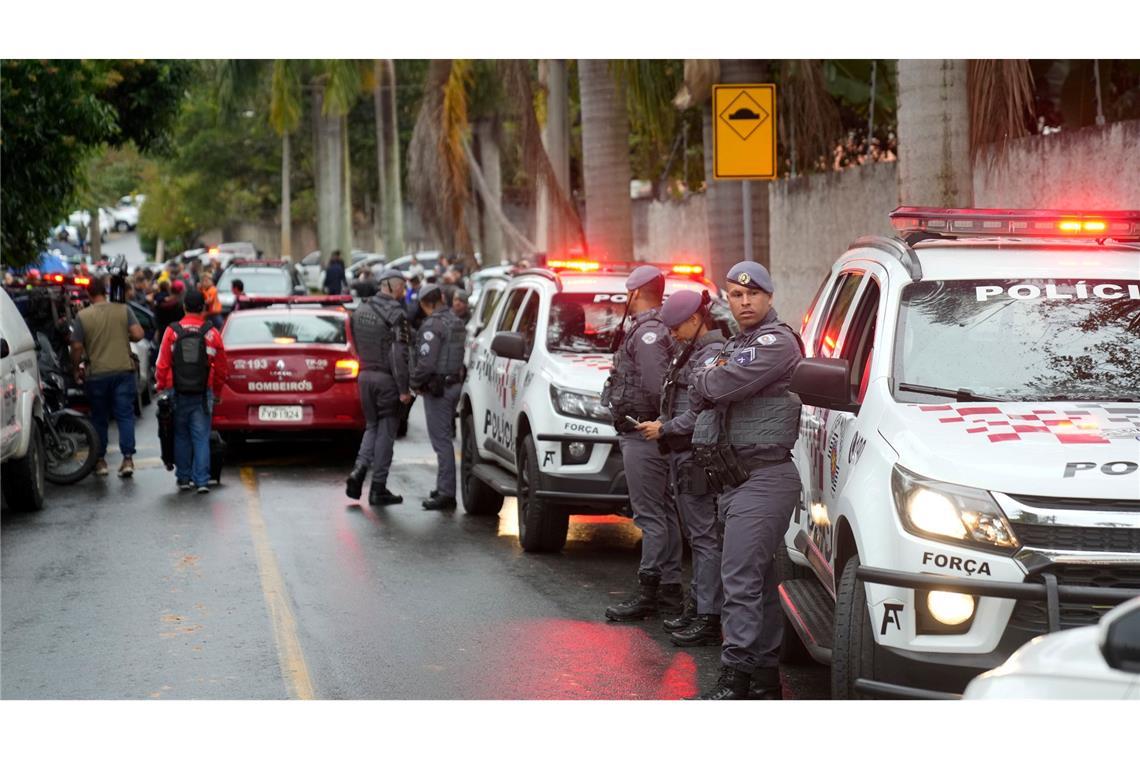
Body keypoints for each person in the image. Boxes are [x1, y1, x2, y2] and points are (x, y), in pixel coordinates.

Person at [688, 261, 804, 700]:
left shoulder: (776, 343)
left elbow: (716, 386)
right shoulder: (738, 342)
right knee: (755, 580)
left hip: (765, 476)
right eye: (736, 296)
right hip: (735, 480)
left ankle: (734, 678)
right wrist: (708, 378)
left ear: (769, 296)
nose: (745, 302)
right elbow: (703, 380)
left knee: (737, 579)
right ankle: (763, 678)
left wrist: (709, 379)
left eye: (753, 294)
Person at [636, 290, 726, 646]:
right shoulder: (693, 351)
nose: (671, 334)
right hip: (684, 452)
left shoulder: (711, 354)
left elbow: (703, 411)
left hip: (696, 454)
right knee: (698, 536)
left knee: (704, 538)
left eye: (676, 327)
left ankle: (709, 615)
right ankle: (699, 606)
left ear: (695, 320)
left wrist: (666, 428)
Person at [601, 265, 683, 622]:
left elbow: (656, 386)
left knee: (651, 516)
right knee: (663, 513)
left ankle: (652, 591)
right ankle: (669, 590)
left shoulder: (648, 332)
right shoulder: (655, 327)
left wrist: (660, 424)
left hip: (645, 435)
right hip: (650, 434)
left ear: (636, 292)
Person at [345, 269, 412, 506]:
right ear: (392, 287)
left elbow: (352, 342)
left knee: (371, 427)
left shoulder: (360, 309)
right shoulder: (397, 314)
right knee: (385, 433)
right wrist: (404, 389)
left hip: (364, 377)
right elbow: (398, 355)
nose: (403, 292)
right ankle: (378, 487)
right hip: (386, 381)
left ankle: (359, 470)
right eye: (402, 288)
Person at [69, 277, 145, 477]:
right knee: (125, 416)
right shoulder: (123, 310)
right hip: (123, 370)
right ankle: (128, 459)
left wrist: (75, 368)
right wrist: (122, 336)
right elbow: (138, 334)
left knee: (99, 418)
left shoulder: (82, 316)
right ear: (106, 291)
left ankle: (100, 461)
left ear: (89, 294)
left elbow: (76, 346)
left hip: (97, 374)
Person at [155, 289, 227, 494]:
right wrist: (218, 391)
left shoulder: (173, 331)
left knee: (181, 435)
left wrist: (162, 387)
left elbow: (162, 364)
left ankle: (184, 478)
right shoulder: (211, 333)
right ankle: (202, 481)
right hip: (204, 392)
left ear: (184, 307)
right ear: (203, 308)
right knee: (201, 436)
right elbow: (222, 367)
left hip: (177, 390)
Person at [409, 285, 467, 510]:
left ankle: (446, 493)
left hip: (439, 389)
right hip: (454, 384)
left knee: (441, 441)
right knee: (445, 439)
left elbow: (426, 363)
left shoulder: (432, 325)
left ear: (426, 304)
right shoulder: (456, 321)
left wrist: (413, 383)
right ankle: (443, 485)